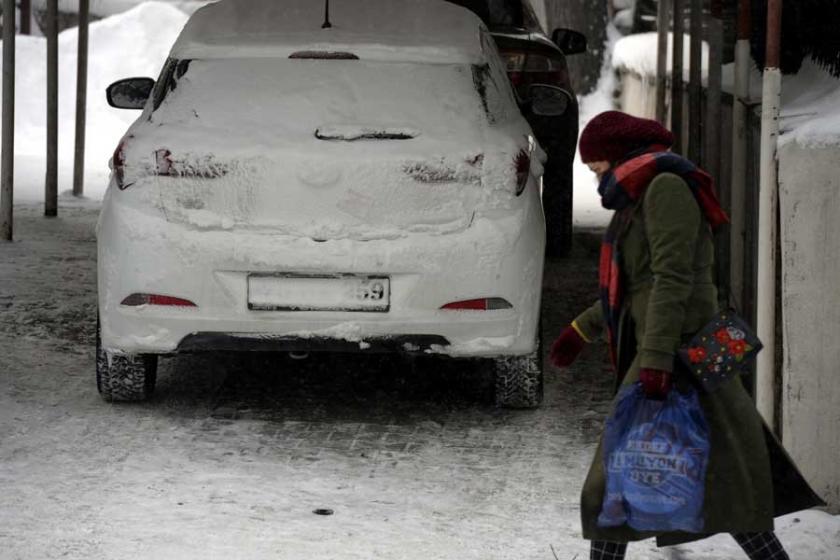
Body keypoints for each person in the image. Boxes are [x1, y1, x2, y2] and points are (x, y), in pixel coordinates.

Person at [550, 111, 823, 560]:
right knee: (725, 480)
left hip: (680, 352)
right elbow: (635, 286)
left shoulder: (666, 189)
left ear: (616, 152)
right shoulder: (639, 194)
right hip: (669, 349)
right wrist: (585, 326)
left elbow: (671, 280)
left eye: (593, 160)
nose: (590, 169)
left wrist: (656, 360)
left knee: (613, 482)